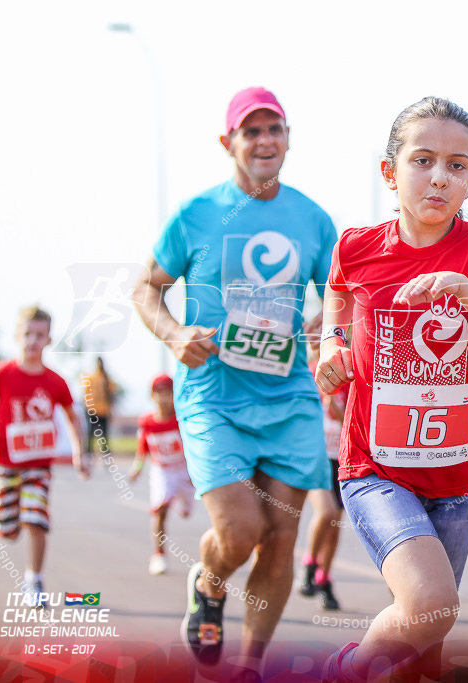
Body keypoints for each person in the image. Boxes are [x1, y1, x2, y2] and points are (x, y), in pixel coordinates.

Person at [315, 96, 468, 681]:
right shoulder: (357, 246)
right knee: (430, 605)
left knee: (424, 650)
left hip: (452, 482)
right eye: (423, 160)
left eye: (457, 165)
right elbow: (338, 297)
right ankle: (348, 667)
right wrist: (331, 346)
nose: (440, 176)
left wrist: (467, 291)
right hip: (374, 470)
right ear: (390, 172)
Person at [131, 87, 337, 673]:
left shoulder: (313, 219)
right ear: (229, 143)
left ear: (288, 138)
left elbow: (341, 293)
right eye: (252, 131)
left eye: (274, 129)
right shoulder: (196, 215)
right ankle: (210, 582)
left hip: (290, 396)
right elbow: (146, 287)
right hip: (214, 397)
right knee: (242, 528)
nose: (265, 140)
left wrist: (329, 324)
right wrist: (173, 334)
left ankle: (249, 665)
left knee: (279, 540)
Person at [0, 306, 88, 606]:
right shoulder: (1, 373)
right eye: (27, 334)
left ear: (49, 339)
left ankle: (34, 580)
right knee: (8, 531)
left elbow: (73, 418)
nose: (32, 341)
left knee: (36, 519)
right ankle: (11, 519)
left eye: (39, 335)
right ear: (16, 336)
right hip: (4, 464)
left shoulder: (55, 382)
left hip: (38, 466)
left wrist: (78, 453)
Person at [129, 374, 196, 576]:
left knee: (185, 513)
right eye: (160, 393)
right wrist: (137, 468)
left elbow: (193, 446)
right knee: (159, 510)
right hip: (162, 470)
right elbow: (143, 448)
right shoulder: (147, 422)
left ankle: (177, 500)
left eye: (168, 393)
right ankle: (158, 554)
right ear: (152, 396)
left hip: (183, 470)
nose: (164, 398)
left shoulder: (181, 419)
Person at [300, 348, 350, 611]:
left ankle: (324, 577)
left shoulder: (350, 372)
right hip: (315, 456)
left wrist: (338, 413)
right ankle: (309, 564)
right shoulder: (308, 374)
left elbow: (354, 423)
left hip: (340, 458)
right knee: (326, 512)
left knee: (334, 520)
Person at [80, 356, 117, 461]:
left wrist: (111, 408)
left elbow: (111, 394)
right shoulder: (91, 377)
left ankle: (106, 454)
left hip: (104, 410)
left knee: (104, 433)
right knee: (91, 433)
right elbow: (86, 393)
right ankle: (89, 454)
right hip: (92, 409)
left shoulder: (106, 378)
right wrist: (86, 407)